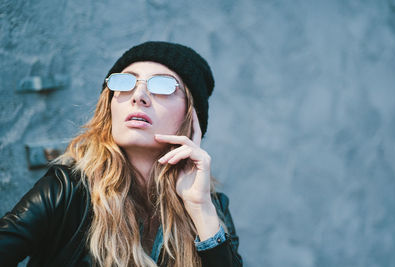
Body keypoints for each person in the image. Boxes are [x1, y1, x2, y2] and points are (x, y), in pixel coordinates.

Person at [0, 41, 242, 267]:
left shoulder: (211, 205)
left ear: (191, 116)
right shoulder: (66, 191)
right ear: (110, 105)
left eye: (162, 85)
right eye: (125, 82)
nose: (138, 96)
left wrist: (199, 208)